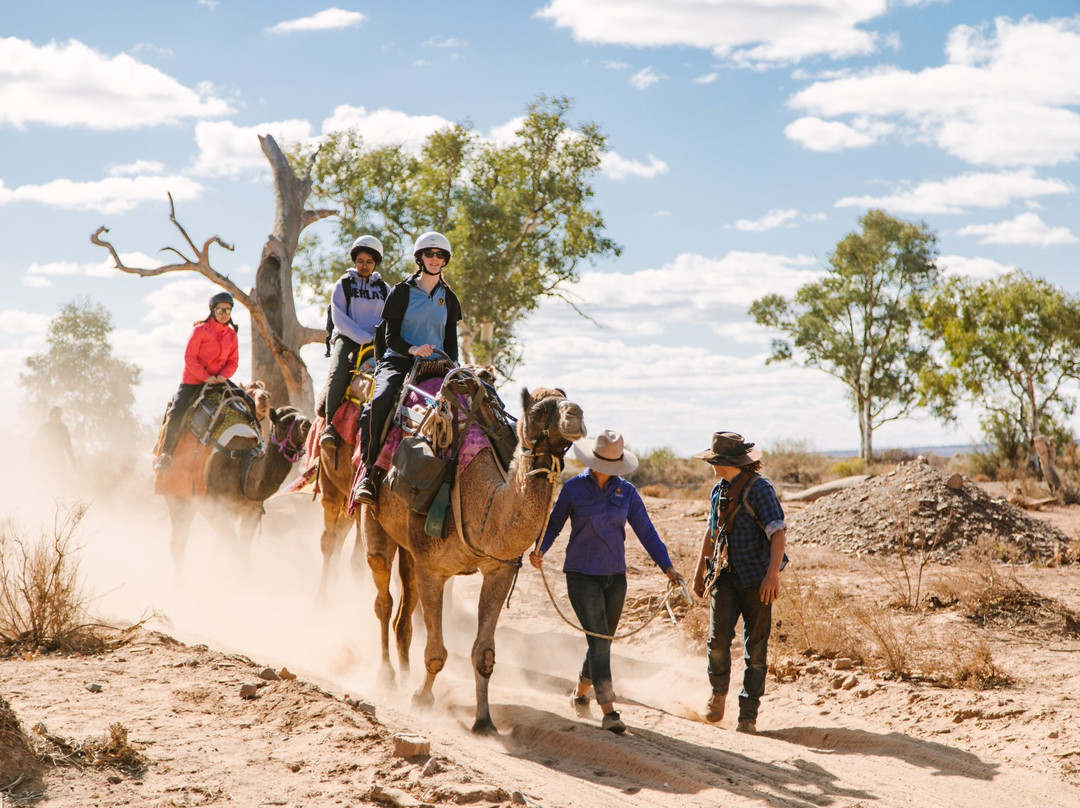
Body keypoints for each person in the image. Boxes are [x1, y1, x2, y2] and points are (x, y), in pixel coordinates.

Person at [530, 429, 685, 734]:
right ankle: (609, 710)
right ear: (592, 459)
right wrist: (540, 549)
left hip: (616, 578)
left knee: (601, 642)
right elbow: (554, 525)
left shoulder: (626, 493)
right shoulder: (573, 489)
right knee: (600, 642)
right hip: (581, 575)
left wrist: (668, 567)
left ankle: (579, 695)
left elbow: (647, 532)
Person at [353, 231, 462, 504]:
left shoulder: (449, 298)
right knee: (378, 402)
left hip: (436, 365)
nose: (435, 259)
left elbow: (451, 343)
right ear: (420, 258)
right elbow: (390, 338)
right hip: (399, 360)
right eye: (430, 254)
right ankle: (369, 474)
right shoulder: (401, 292)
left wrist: (456, 369)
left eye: (440, 255)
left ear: (445, 260)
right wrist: (413, 349)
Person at [691, 431, 788, 735]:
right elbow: (711, 533)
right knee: (717, 640)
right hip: (726, 576)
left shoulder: (761, 490)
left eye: (715, 461)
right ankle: (718, 694)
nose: (712, 465)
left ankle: (748, 715)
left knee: (755, 650)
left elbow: (778, 533)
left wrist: (772, 575)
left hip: (758, 580)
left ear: (728, 462)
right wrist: (698, 571)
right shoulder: (718, 491)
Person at [153, 291, 239, 471]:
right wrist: (206, 377)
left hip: (220, 380)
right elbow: (190, 358)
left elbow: (233, 361)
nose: (224, 313)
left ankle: (257, 446)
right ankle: (166, 455)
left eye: (228, 310)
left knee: (245, 403)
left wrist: (223, 376)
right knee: (177, 412)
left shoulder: (232, 335)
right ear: (213, 310)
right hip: (194, 381)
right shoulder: (200, 330)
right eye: (221, 310)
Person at [319, 235, 390, 448]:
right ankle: (329, 427)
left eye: (369, 262)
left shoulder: (385, 289)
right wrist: (363, 337)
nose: (364, 266)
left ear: (375, 262)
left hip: (377, 341)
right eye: (360, 261)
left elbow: (389, 318)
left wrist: (379, 340)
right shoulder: (343, 284)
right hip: (347, 337)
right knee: (338, 372)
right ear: (354, 261)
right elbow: (339, 318)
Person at [33, 406, 76, 475]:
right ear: (50, 416)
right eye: (53, 415)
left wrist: (73, 461)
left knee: (61, 481)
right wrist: (32, 458)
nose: (55, 417)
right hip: (45, 460)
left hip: (59, 461)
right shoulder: (43, 428)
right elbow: (35, 444)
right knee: (45, 481)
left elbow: (68, 447)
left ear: (60, 416)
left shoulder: (64, 429)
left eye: (58, 415)